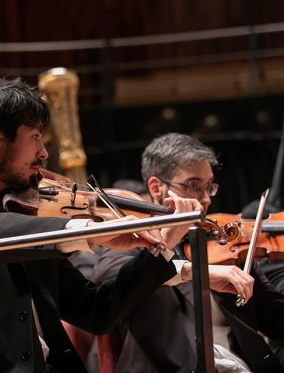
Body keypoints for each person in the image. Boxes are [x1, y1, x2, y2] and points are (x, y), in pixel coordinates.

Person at [0, 76, 203, 373]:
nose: (44, 154)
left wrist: (161, 250)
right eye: (35, 137)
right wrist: (86, 230)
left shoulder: (28, 217)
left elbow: (97, 311)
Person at [92, 132, 284, 373]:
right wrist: (196, 271)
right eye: (193, 186)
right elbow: (108, 278)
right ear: (156, 187)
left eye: (209, 187)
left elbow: (276, 317)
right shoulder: (133, 240)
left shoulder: (226, 244)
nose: (205, 199)